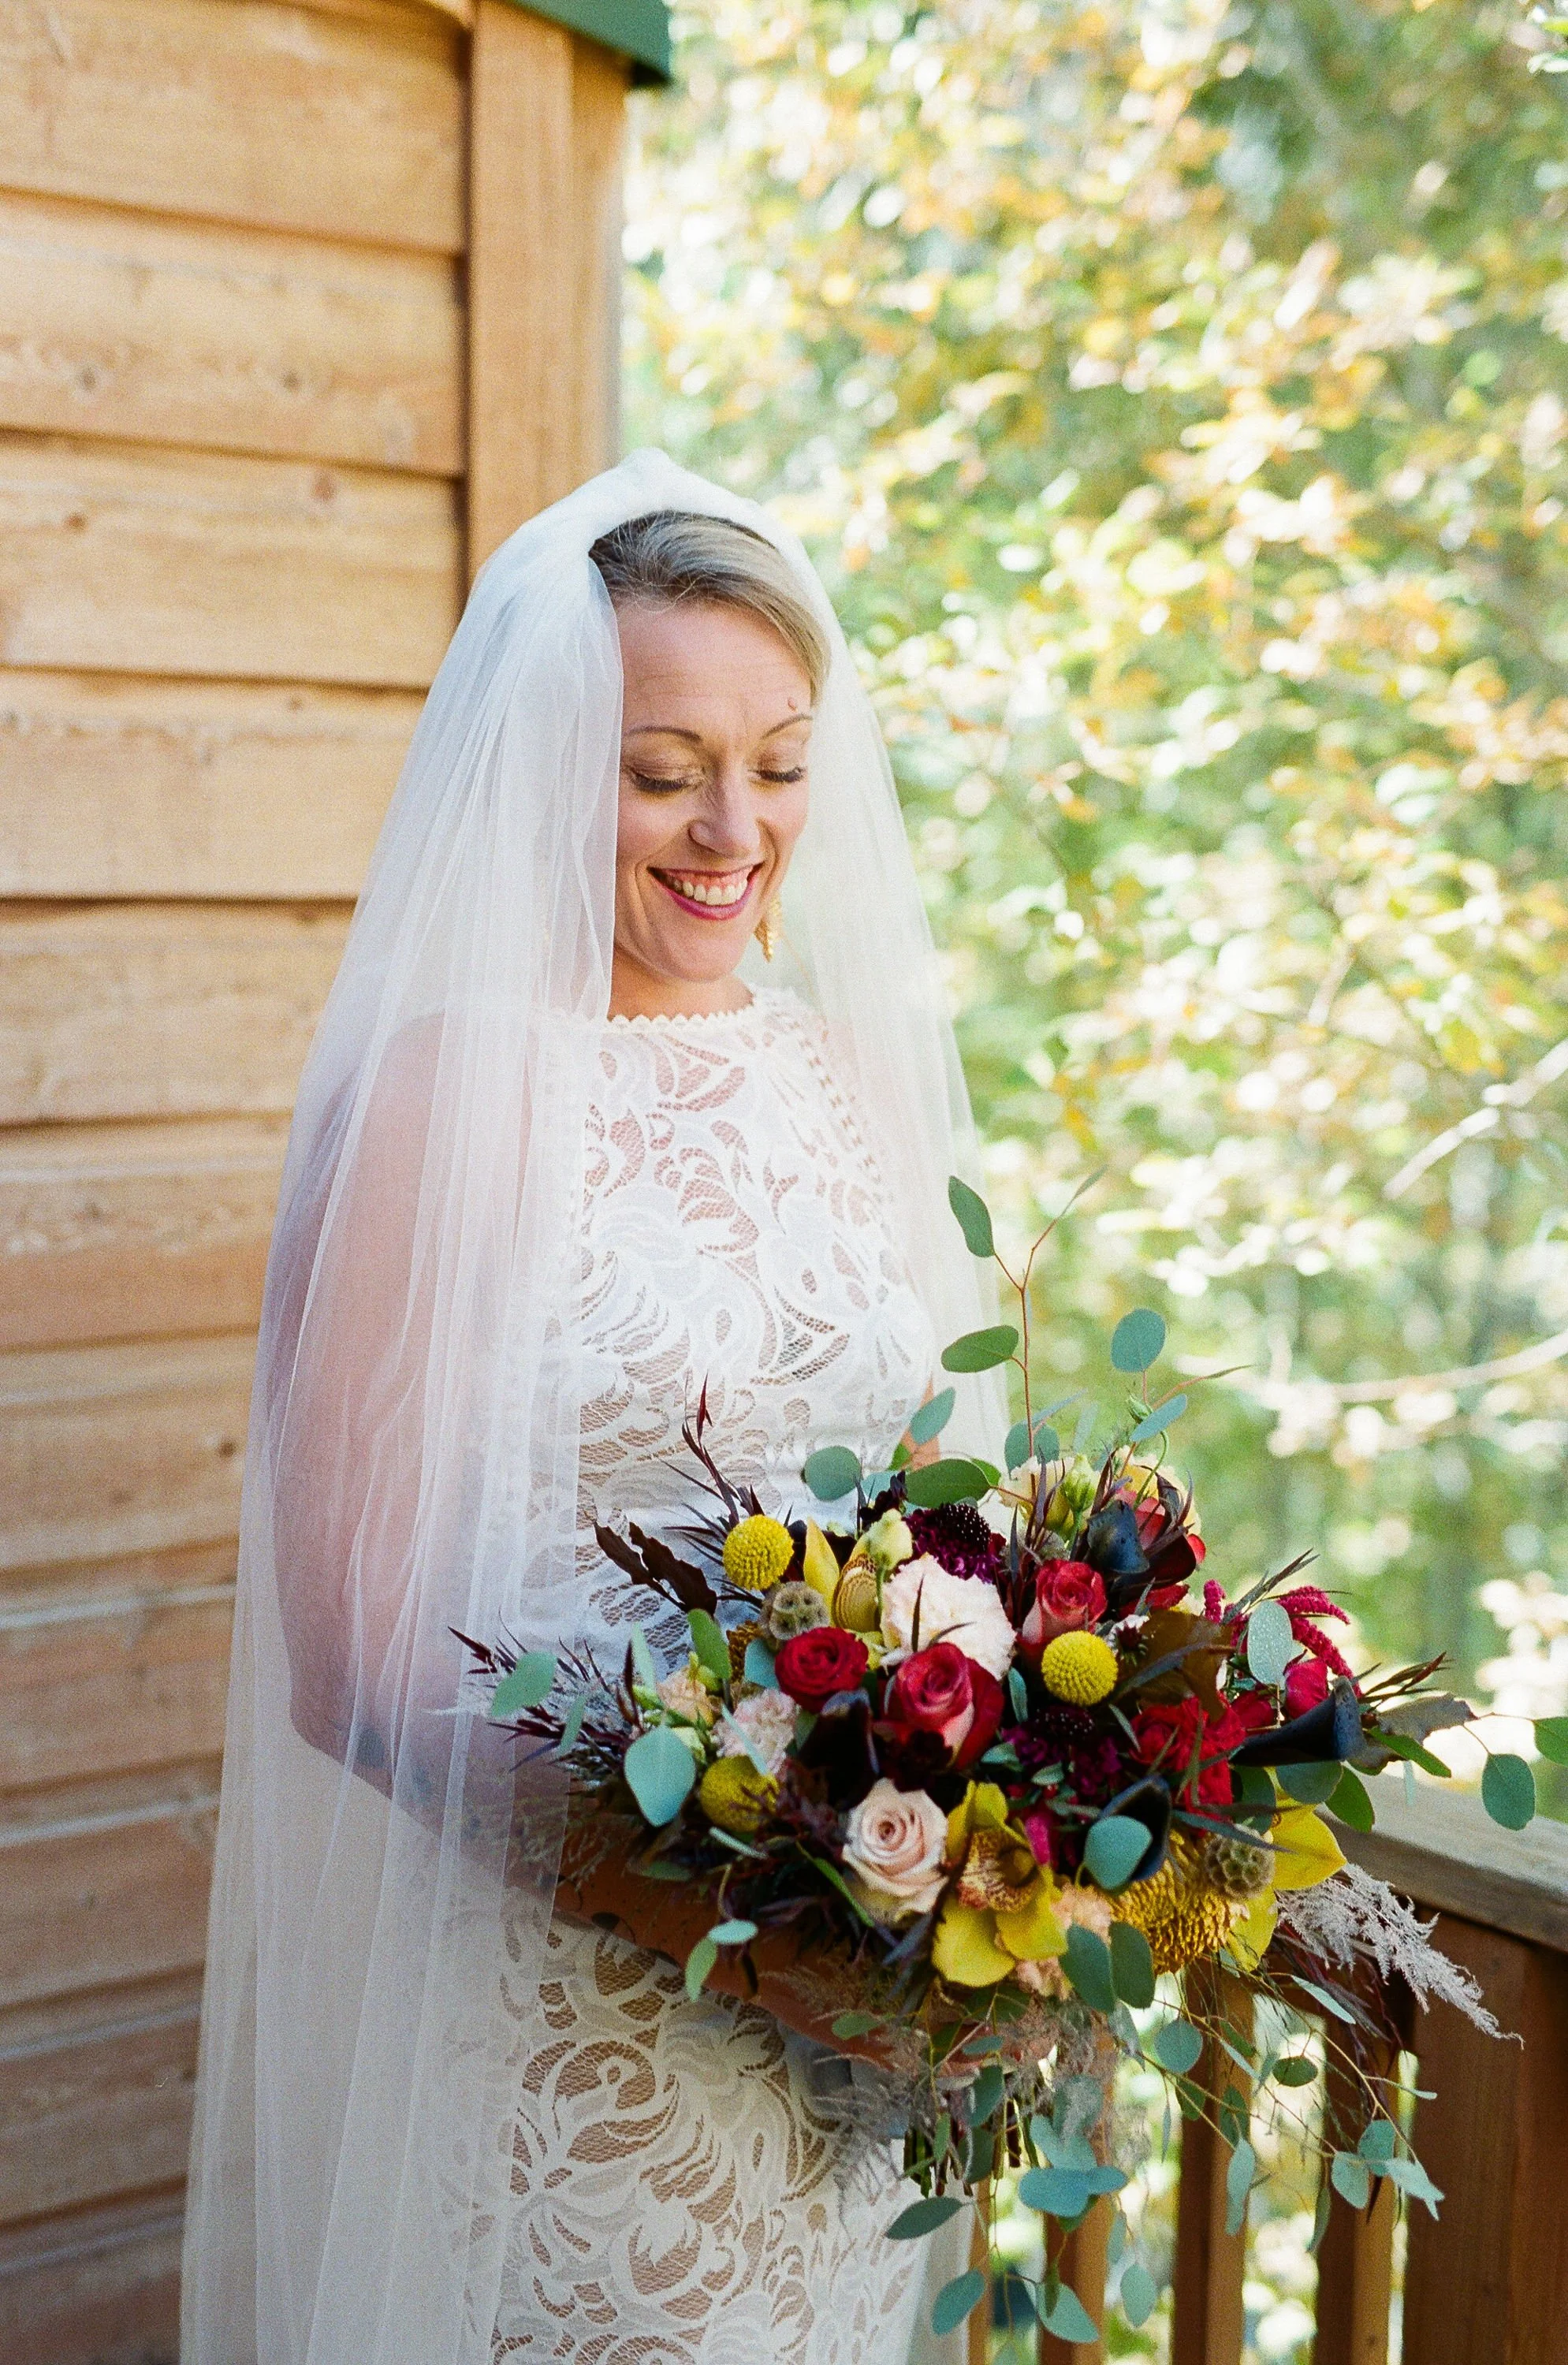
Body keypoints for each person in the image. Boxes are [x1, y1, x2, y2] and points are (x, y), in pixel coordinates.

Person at [181, 452, 1003, 2365]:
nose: (734, 829)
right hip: (576, 2026)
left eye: (780, 761)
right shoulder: (433, 1101)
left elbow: (932, 1519)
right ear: (548, 766)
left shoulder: (835, 1073)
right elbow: (360, 1667)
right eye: (661, 771)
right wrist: (752, 1934)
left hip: (845, 2052)